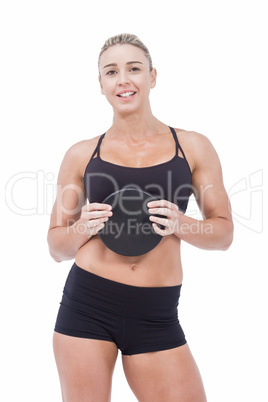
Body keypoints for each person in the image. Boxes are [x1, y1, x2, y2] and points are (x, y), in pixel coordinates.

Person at [48, 33, 233, 402]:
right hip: (88, 304)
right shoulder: (81, 155)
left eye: (134, 68)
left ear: (152, 77)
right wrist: (82, 228)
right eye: (111, 72)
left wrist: (182, 223)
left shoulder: (192, 147)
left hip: (156, 313)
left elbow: (223, 233)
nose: (124, 80)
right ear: (101, 85)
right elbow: (56, 245)